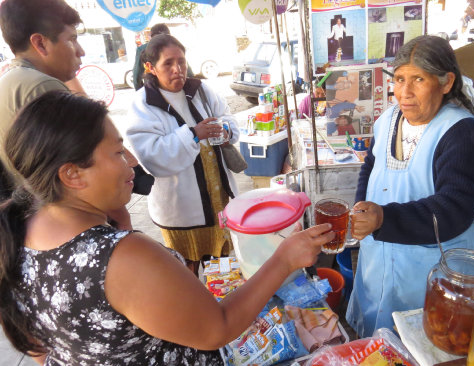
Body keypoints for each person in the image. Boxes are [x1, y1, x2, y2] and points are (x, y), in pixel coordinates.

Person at [0, 90, 334, 365]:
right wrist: (285, 259)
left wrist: (114, 221)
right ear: (72, 175)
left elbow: (42, 350)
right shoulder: (122, 256)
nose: (131, 161)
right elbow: (218, 328)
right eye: (117, 152)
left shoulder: (18, 232)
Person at [346, 35, 474, 338]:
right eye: (399, 79)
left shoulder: (461, 132)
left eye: (418, 79)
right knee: (379, 336)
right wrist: (362, 206)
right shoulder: (388, 120)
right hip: (381, 257)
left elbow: (454, 209)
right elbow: (371, 165)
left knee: (425, 338)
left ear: (446, 82)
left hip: (433, 271)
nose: (405, 92)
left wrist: (384, 218)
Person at [0, 0, 132, 229]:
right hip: (64, 224)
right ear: (40, 43)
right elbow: (88, 167)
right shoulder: (44, 87)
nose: (81, 51)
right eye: (72, 39)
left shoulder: (10, 80)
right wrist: (122, 221)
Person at [126, 35, 237, 276]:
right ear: (150, 67)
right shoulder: (142, 105)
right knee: (185, 269)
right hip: (180, 209)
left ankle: (217, 306)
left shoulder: (201, 89)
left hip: (217, 198)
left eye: (182, 62)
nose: (178, 70)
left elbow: (226, 116)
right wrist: (193, 134)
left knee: (220, 267)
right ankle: (192, 309)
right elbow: (152, 156)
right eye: (168, 63)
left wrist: (225, 130)